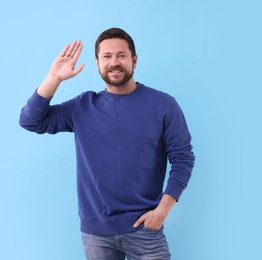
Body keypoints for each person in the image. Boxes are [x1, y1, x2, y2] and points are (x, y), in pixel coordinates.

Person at [19, 27, 195, 260]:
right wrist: (54, 78)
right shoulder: (82, 107)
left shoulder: (163, 105)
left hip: (145, 230)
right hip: (96, 235)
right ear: (97, 63)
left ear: (134, 60)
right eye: (107, 56)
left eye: (121, 55)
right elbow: (31, 121)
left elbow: (183, 159)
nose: (115, 62)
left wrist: (162, 212)